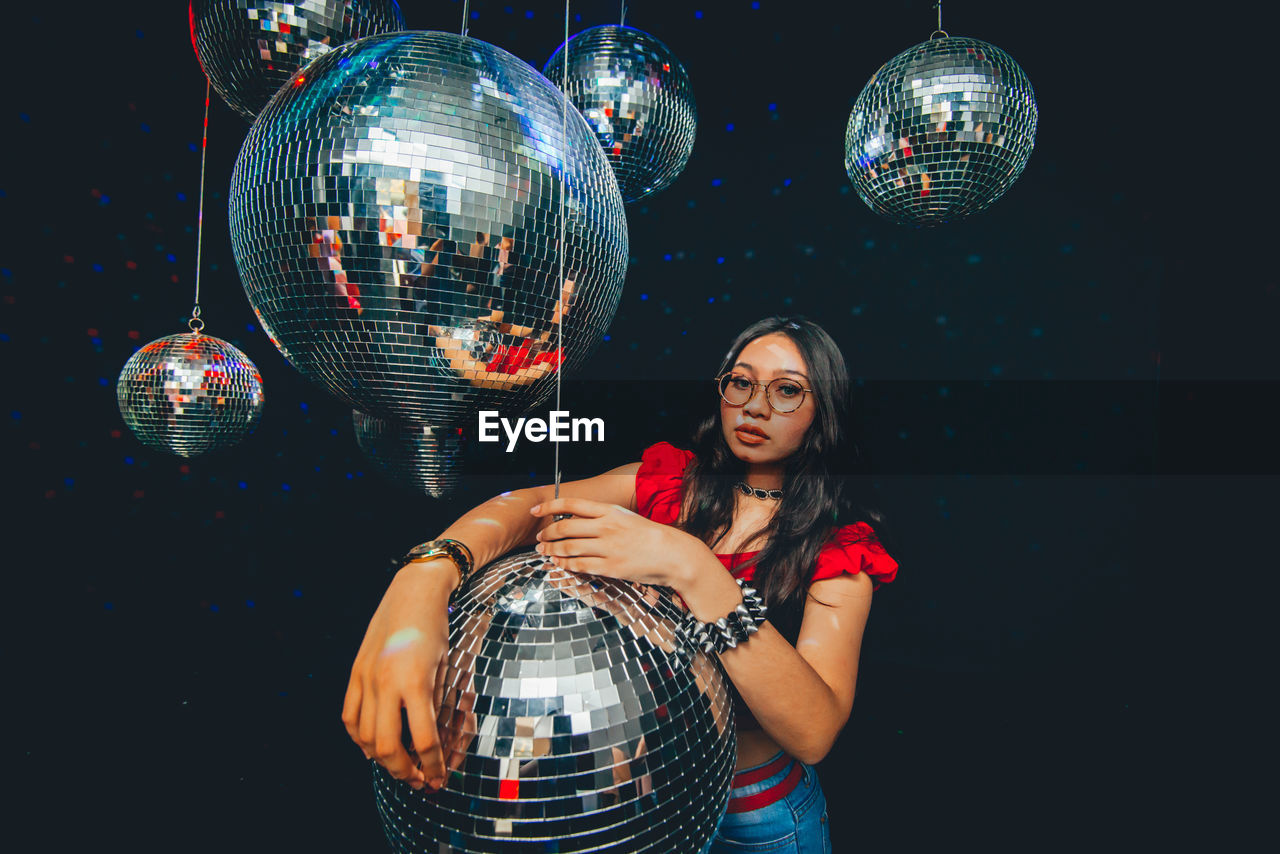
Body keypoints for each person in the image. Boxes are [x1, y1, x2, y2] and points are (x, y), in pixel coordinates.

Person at [342, 315, 900, 853]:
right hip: (638, 808)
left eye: (787, 391)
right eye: (741, 383)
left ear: (822, 410)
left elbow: (815, 732)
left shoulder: (839, 550)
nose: (755, 406)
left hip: (758, 817)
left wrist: (694, 567)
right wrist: (427, 575)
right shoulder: (669, 484)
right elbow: (531, 507)